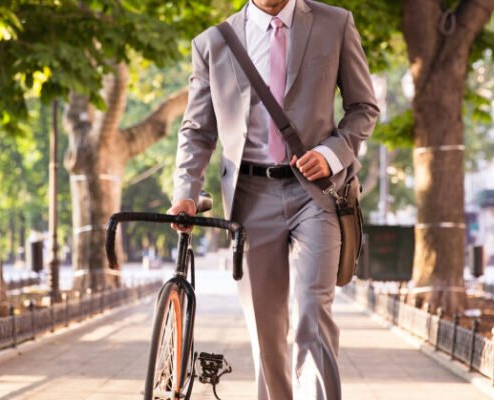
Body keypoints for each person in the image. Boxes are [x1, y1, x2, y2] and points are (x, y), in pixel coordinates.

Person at [169, 0, 378, 398]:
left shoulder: (335, 23)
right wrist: (186, 195)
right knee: (266, 330)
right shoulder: (212, 43)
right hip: (249, 198)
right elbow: (197, 130)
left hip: (315, 194)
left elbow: (364, 107)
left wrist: (332, 153)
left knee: (312, 313)